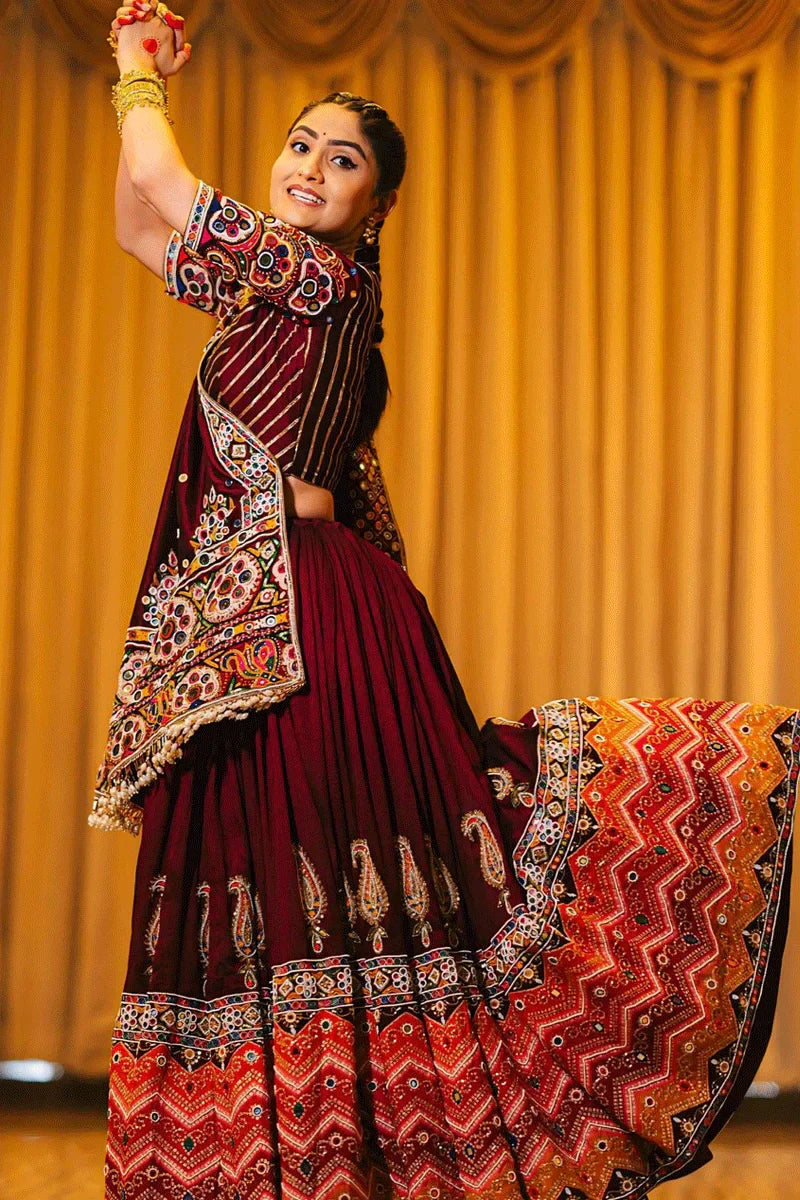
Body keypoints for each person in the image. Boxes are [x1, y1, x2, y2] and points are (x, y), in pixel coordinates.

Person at [95, 5, 797, 1199]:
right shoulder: (274, 293)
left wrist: (135, 69)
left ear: (376, 206)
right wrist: (142, 94)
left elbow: (162, 174)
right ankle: (270, 1148)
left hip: (303, 624)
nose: (309, 168)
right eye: (299, 145)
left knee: (316, 861)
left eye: (342, 158)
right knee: (271, 868)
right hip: (263, 621)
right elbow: (136, 223)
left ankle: (349, 1143)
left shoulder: (315, 278)